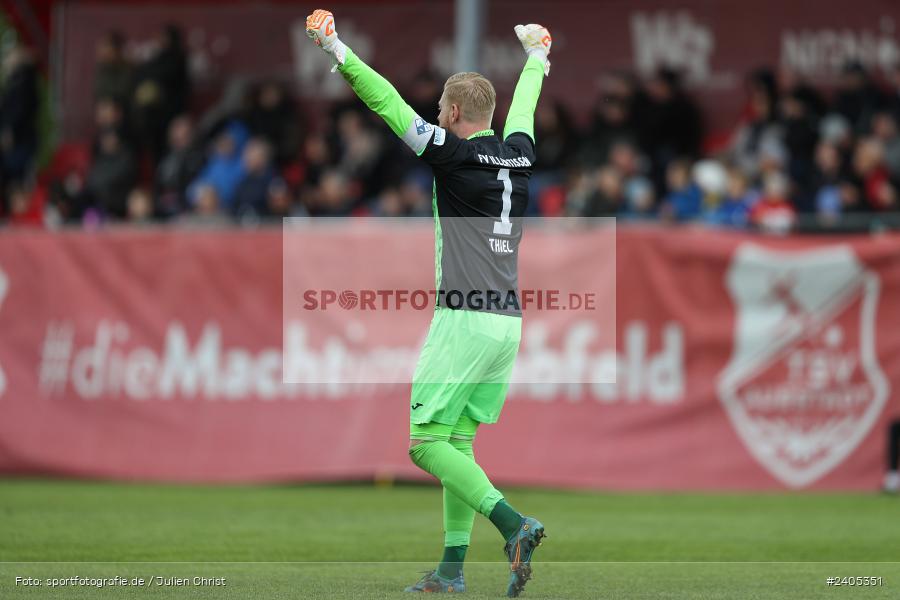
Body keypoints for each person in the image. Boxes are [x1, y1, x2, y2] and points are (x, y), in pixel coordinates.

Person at [305, 9, 549, 596]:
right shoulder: (520, 153)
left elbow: (387, 105)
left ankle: (513, 524)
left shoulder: (453, 154)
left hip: (464, 318)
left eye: (441, 110)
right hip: (508, 323)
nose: (435, 118)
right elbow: (525, 110)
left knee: (423, 443)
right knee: (457, 443)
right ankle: (451, 570)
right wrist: (538, 57)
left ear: (455, 115)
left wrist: (336, 48)